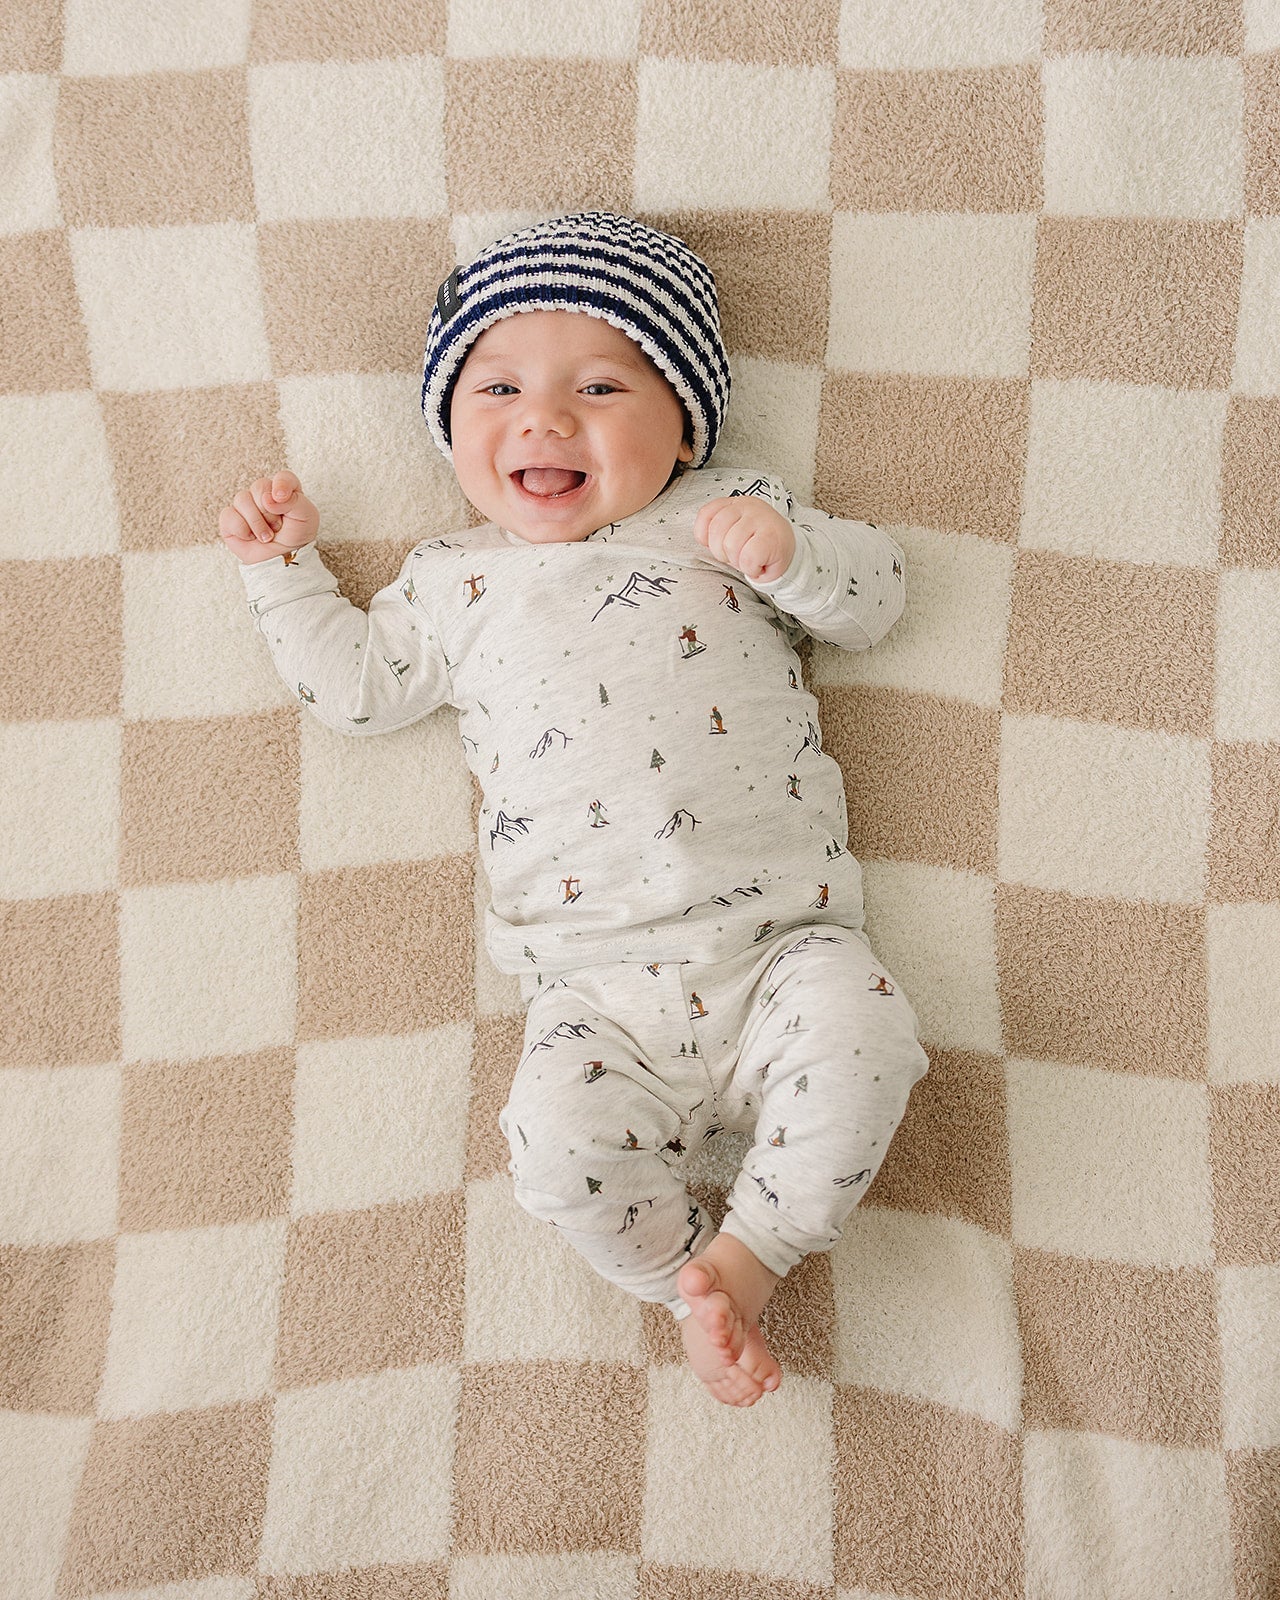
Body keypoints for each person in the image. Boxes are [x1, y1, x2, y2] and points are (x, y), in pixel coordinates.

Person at [219, 211, 929, 1407]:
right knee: (550, 1144)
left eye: (599, 385)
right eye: (495, 387)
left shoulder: (723, 514)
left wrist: (788, 554)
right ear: (448, 428)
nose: (542, 418)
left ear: (685, 424)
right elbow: (354, 692)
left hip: (779, 945)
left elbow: (878, 598)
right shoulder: (452, 580)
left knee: (867, 1040)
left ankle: (754, 1252)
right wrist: (281, 573)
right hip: (589, 989)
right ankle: (686, 1283)